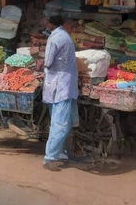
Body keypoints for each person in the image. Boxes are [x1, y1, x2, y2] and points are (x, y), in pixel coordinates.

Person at [43, 14, 81, 171]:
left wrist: (41, 64)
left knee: (60, 123)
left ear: (51, 24)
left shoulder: (55, 38)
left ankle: (50, 157)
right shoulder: (65, 36)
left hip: (60, 85)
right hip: (65, 84)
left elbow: (48, 61)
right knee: (63, 121)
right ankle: (61, 153)